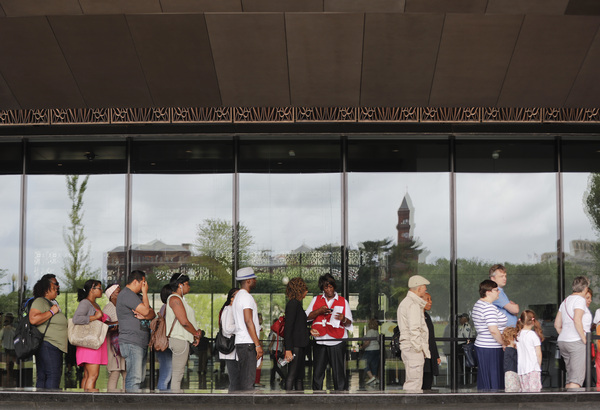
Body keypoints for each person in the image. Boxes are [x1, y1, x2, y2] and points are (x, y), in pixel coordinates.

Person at [306, 273, 353, 391]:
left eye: (330, 287)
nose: (329, 290)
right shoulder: (316, 299)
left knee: (338, 374)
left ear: (334, 286)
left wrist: (343, 319)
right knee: (317, 373)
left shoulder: (343, 301)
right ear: (322, 288)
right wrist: (319, 311)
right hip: (320, 341)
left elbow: (349, 323)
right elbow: (306, 317)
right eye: (326, 287)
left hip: (336, 341)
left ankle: (340, 398)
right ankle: (316, 398)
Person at [116, 270, 156, 392]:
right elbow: (145, 311)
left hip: (140, 342)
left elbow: (151, 313)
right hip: (132, 342)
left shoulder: (136, 297)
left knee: (140, 378)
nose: (144, 286)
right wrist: (145, 293)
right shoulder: (127, 294)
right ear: (135, 281)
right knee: (134, 379)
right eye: (143, 283)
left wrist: (145, 315)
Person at [29, 274, 67, 389]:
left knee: (44, 375)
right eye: (55, 285)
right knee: (53, 375)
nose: (58, 287)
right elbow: (33, 319)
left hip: (51, 345)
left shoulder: (50, 302)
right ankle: (50, 404)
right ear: (47, 286)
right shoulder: (40, 301)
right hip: (49, 345)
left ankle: (41, 404)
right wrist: (51, 312)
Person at [165, 272, 202, 392]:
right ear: (180, 285)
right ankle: (175, 401)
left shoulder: (179, 299)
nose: (189, 287)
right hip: (179, 339)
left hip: (181, 339)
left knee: (178, 373)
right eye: (187, 284)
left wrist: (195, 333)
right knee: (177, 374)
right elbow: (184, 321)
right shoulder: (175, 299)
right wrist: (196, 334)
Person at [554, 275, 591, 389]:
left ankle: (566, 403)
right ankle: (574, 405)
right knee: (577, 379)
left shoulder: (566, 300)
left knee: (570, 377)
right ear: (585, 289)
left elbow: (557, 324)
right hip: (576, 341)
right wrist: (584, 339)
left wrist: (565, 334)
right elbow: (577, 319)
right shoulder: (580, 300)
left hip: (563, 341)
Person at [72, 280, 109, 392]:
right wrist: (95, 317)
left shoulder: (94, 304)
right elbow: (76, 319)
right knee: (93, 376)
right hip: (89, 345)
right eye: (99, 288)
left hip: (92, 345)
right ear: (92, 289)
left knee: (88, 376)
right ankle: (90, 403)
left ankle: (84, 402)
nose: (102, 290)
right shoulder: (85, 303)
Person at [397, 275, 430, 392]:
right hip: (413, 348)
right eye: (424, 287)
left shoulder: (407, 302)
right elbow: (414, 329)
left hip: (409, 346)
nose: (426, 289)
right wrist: (418, 348)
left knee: (412, 381)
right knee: (414, 385)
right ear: (419, 288)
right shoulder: (413, 304)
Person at [472, 279, 507, 390]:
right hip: (492, 347)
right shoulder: (488, 307)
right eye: (496, 290)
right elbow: (493, 330)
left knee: (485, 377)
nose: (499, 292)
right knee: (494, 378)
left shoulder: (479, 304)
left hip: (483, 346)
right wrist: (503, 342)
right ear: (488, 292)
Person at [231, 267, 263, 391]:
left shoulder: (238, 296)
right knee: (248, 382)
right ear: (248, 281)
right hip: (248, 343)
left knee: (243, 380)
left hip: (241, 342)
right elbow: (248, 321)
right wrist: (257, 344)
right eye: (254, 279)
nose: (255, 281)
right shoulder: (246, 297)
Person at [283, 277, 310, 391]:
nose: (306, 291)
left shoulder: (296, 304)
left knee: (299, 377)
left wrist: (309, 331)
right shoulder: (293, 304)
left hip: (299, 345)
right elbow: (288, 328)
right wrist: (288, 349)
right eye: (304, 288)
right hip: (295, 346)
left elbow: (297, 327)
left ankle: (299, 402)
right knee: (293, 375)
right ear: (299, 290)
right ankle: (288, 402)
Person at [102, 283, 126, 392]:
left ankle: (127, 401)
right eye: (118, 292)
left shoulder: (122, 307)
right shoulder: (108, 308)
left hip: (124, 343)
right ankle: (111, 401)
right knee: (115, 372)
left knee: (126, 373)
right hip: (113, 346)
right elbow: (105, 326)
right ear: (111, 295)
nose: (121, 294)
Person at [516, 310, 544, 392]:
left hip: (521, 369)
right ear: (533, 321)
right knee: (534, 392)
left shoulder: (518, 334)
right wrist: (538, 366)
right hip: (532, 368)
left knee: (525, 391)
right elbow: (538, 353)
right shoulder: (533, 335)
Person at [219, 287, 239, 392]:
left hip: (234, 351)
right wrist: (240, 327)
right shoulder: (229, 310)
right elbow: (227, 329)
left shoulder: (234, 310)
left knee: (236, 379)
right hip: (230, 350)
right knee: (234, 380)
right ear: (231, 298)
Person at [156, 284, 174, 391]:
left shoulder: (165, 308)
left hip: (164, 344)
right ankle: (162, 401)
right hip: (165, 344)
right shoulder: (168, 308)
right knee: (166, 374)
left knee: (168, 373)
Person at [422, 292, 440, 390]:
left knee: (428, 381)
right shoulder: (417, 316)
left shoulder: (427, 316)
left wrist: (436, 355)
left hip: (429, 355)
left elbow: (431, 338)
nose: (430, 302)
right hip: (421, 355)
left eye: (430, 299)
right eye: (427, 299)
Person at [361, 318, 380, 386]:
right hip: (377, 349)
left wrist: (362, 347)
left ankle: (371, 377)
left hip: (370, 350)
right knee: (374, 364)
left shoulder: (370, 332)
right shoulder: (376, 332)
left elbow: (367, 342)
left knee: (363, 363)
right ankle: (374, 377)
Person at [501, 327, 520, 392]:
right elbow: (517, 359)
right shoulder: (511, 350)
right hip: (512, 373)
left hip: (509, 373)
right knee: (513, 389)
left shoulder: (507, 349)